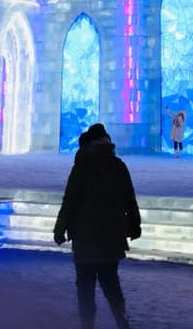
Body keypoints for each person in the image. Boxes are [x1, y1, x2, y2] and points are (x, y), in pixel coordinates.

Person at [53, 122, 141, 329]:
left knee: (85, 287)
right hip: (112, 235)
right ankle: (122, 319)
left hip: (84, 235)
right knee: (111, 282)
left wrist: (60, 228)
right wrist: (134, 225)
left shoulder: (81, 166)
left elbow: (70, 200)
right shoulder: (118, 165)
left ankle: (87, 324)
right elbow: (130, 198)